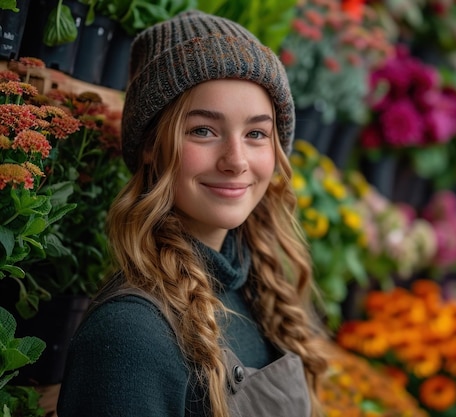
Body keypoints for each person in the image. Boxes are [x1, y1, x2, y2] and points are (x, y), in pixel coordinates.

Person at [57, 10, 328, 417]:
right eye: (203, 130)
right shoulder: (130, 336)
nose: (236, 161)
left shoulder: (261, 291)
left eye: (256, 134)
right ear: (151, 146)